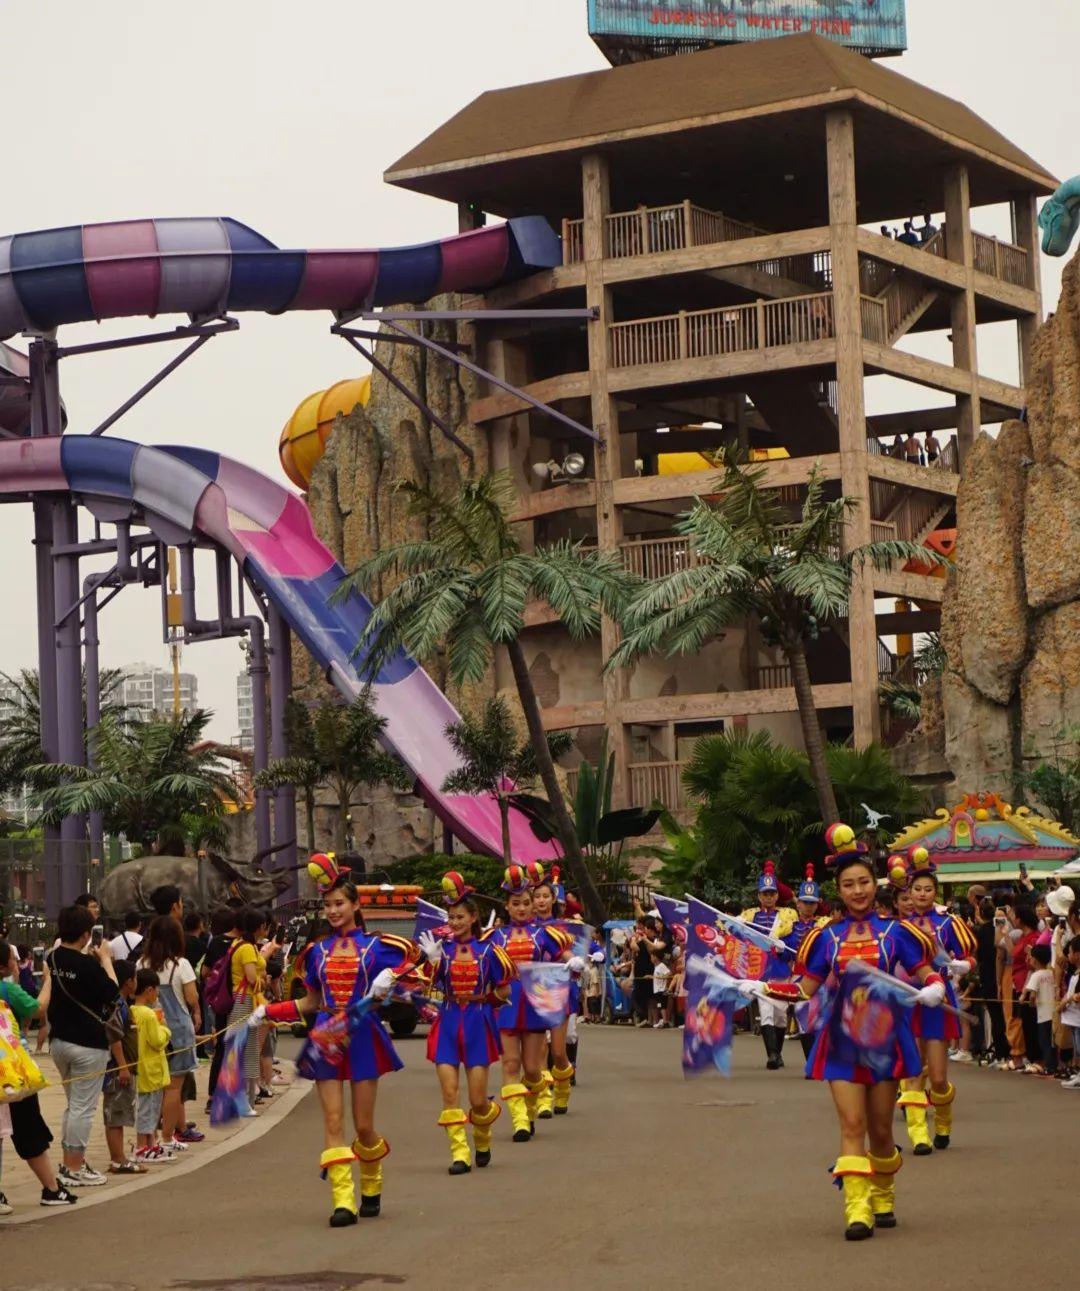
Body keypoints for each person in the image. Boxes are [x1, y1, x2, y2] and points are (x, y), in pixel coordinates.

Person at [744, 823, 946, 1240]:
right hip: (843, 1041)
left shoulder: (896, 932)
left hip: (887, 1041)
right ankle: (857, 1209)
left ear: (875, 885)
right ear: (839, 890)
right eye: (849, 885)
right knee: (852, 1125)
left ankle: (883, 1192)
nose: (857, 891)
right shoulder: (826, 938)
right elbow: (804, 989)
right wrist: (763, 987)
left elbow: (925, 972)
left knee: (882, 1130)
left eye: (864, 883)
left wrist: (934, 987)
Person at [248, 853, 419, 1227]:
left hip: (362, 1034)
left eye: (339, 903)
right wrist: (268, 1012)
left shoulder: (378, 947)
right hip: (327, 1033)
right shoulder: (316, 952)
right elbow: (310, 1002)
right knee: (332, 1120)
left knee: (363, 1126)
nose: (333, 910)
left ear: (356, 905)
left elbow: (418, 970)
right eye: (327, 905)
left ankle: (371, 1181)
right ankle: (343, 1200)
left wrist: (390, 980)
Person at [419, 871, 515, 1175]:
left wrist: (491, 1004)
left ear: (473, 917)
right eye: (451, 917)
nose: (455, 922)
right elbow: (426, 988)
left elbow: (504, 988)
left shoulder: (489, 952)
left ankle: (482, 1138)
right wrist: (432, 964)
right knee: (450, 1094)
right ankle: (459, 1153)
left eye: (460, 916)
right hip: (447, 1020)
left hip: (477, 1021)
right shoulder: (443, 951)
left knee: (477, 1100)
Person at [488, 866, 577, 1140]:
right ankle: (520, 1121)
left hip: (537, 1001)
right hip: (507, 1003)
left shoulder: (543, 934)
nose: (523, 908)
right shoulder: (495, 937)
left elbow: (565, 952)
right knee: (510, 1064)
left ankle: (531, 1105)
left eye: (526, 903)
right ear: (507, 906)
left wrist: (574, 961)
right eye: (516, 904)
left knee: (533, 1068)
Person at [902, 847, 977, 1150]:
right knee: (912, 1072)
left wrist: (963, 965)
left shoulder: (949, 923)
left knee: (937, 1077)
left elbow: (971, 957)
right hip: (909, 1002)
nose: (922, 894)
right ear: (909, 892)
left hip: (938, 1004)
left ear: (935, 891)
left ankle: (943, 1123)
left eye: (927, 889)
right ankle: (918, 1133)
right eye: (917, 889)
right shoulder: (898, 927)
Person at [46, 904, 119, 1188]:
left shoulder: (52, 959)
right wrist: (106, 960)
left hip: (59, 1042)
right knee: (83, 1108)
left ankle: (71, 1161)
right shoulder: (88, 964)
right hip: (88, 1043)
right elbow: (113, 993)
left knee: (73, 1105)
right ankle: (73, 1166)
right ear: (87, 933)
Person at [0, 942, 77, 1210]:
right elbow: (38, 1009)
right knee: (29, 1130)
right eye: (12, 958)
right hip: (13, 1073)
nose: (16, 961)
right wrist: (47, 981)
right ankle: (52, 1189)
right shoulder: (7, 990)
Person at [137, 916, 200, 1153]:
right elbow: (192, 998)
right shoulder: (180, 965)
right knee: (173, 1087)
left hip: (149, 1029)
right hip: (178, 1031)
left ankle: (149, 1138)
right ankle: (166, 1137)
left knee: (152, 1087)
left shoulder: (141, 964)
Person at [530, 867, 582, 1115]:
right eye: (536, 897)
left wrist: (574, 961)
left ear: (553, 899)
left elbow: (572, 954)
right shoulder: (525, 929)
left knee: (559, 1052)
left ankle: (562, 1087)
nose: (540, 901)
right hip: (534, 991)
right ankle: (543, 1097)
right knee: (539, 1049)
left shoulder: (563, 928)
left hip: (559, 990)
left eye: (544, 896)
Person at [740, 860, 796, 1070]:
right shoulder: (749, 916)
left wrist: (783, 947)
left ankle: (778, 1052)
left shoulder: (787, 916)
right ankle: (772, 1054)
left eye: (772, 893)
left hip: (779, 968)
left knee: (781, 1014)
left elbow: (792, 943)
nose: (769, 897)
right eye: (765, 893)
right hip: (759, 969)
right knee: (766, 1011)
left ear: (777, 895)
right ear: (759, 895)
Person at [102, 960, 146, 1174]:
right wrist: (123, 1067)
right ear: (129, 981)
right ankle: (118, 1159)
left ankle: (119, 1157)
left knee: (119, 1114)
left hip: (124, 1066)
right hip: (118, 1068)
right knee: (115, 1114)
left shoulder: (121, 1002)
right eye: (135, 978)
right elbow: (115, 1037)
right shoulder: (118, 1004)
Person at [130, 969, 176, 1165]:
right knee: (148, 1110)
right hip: (150, 1069)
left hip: (141, 1068)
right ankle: (142, 1147)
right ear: (149, 990)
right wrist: (165, 1028)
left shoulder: (132, 1011)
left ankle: (150, 1144)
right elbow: (157, 1040)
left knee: (148, 1109)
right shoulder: (148, 1014)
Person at [785, 865, 828, 1059]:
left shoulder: (824, 926)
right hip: (799, 977)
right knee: (803, 1016)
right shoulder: (788, 927)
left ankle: (820, 1058)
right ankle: (810, 1060)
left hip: (821, 978)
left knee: (820, 1018)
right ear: (798, 904)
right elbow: (782, 953)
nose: (808, 907)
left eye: (812, 903)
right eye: (804, 902)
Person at [227, 907, 268, 1110]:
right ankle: (244, 1102)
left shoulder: (238, 944)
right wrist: (264, 980)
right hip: (245, 1001)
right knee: (248, 1050)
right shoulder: (247, 948)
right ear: (261, 927)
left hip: (241, 1000)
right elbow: (252, 978)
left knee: (244, 1049)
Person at [974, 898, 1008, 1064]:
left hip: (989, 976)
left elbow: (978, 955)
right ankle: (1004, 1051)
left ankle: (1001, 1052)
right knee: (1003, 1015)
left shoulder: (981, 931)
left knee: (996, 1017)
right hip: (1001, 974)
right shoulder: (1000, 929)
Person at [1008, 904, 1042, 1069]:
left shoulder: (1034, 937)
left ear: (1021, 918)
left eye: (1014, 916)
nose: (1012, 919)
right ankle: (1029, 1057)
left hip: (1029, 984)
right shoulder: (1022, 936)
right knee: (1024, 1021)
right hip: (1018, 983)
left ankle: (1037, 1059)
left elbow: (1033, 964)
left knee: (1031, 1022)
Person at [1021, 943, 1057, 1074]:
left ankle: (1049, 1067)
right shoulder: (1051, 973)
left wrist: (1028, 1002)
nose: (1029, 959)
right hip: (1053, 1013)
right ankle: (1054, 1065)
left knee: (1044, 1042)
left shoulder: (1036, 975)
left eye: (1030, 957)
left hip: (1043, 1015)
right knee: (1052, 1042)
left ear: (1035, 960)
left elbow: (1032, 994)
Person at [1059, 937, 1080, 1089]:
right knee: (1077, 1048)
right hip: (1074, 1017)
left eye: (1071, 952)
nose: (1069, 955)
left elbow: (1076, 995)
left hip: (1078, 1017)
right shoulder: (1076, 971)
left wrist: (1067, 1001)